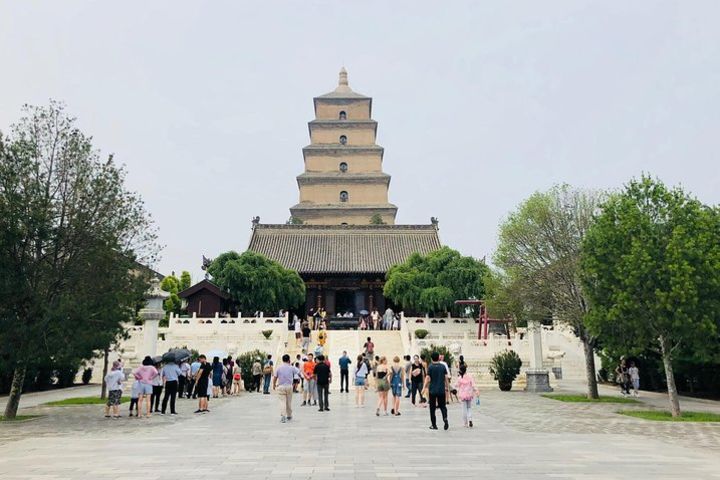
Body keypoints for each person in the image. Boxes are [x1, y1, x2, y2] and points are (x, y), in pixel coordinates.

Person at [424, 351, 449, 430]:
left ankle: (434, 425)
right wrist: (447, 387)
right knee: (443, 406)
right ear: (438, 357)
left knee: (432, 408)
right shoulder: (442, 366)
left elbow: (428, 378)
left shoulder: (430, 367)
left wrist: (424, 387)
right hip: (441, 389)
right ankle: (445, 418)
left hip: (432, 390)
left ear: (431, 359)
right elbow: (446, 378)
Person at [273, 354, 297, 423]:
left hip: (281, 386)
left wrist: (274, 385)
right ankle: (289, 415)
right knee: (289, 402)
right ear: (289, 359)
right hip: (289, 386)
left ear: (282, 360)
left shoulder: (279, 368)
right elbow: (297, 372)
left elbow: (275, 377)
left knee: (282, 402)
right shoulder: (291, 367)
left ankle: (283, 416)